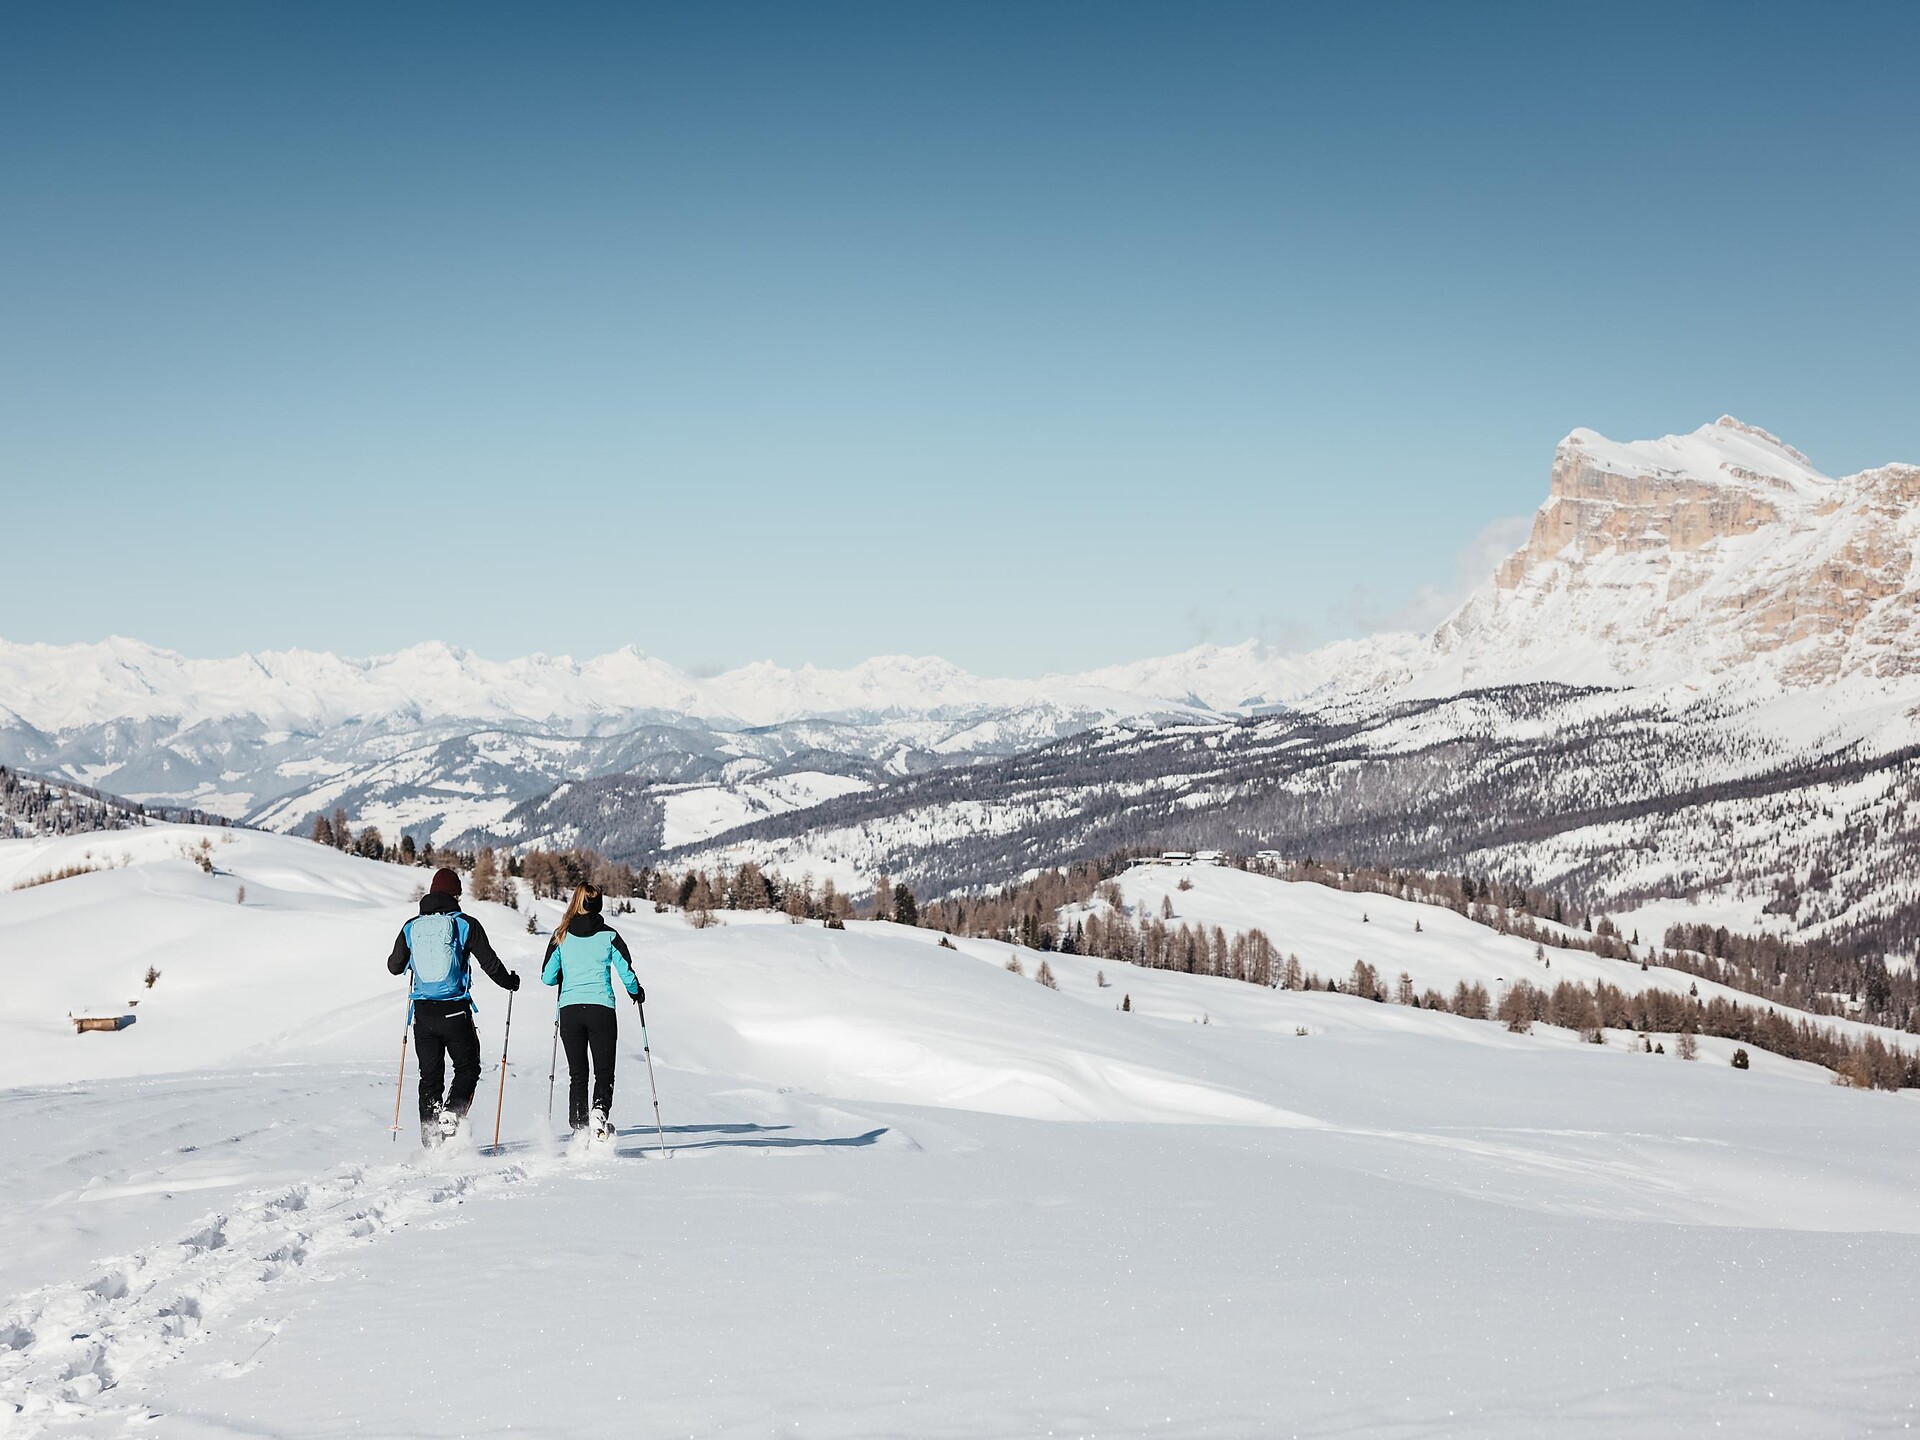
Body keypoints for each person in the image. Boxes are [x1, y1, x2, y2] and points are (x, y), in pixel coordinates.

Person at [387, 866, 520, 1146]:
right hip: (455, 1012)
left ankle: (431, 1143)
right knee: (468, 1067)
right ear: (456, 894)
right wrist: (510, 982)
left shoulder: (411, 926)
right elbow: (490, 963)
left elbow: (393, 966)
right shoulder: (465, 924)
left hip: (423, 1013)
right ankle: (452, 1112)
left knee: (430, 1077)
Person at [542, 883, 643, 1139]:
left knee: (578, 1073)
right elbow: (627, 974)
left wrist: (567, 970)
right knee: (604, 1070)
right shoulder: (609, 936)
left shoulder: (561, 935)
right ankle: (599, 1111)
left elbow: (547, 977)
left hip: (570, 1011)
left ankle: (579, 1128)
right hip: (601, 1010)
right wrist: (636, 992)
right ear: (598, 904)